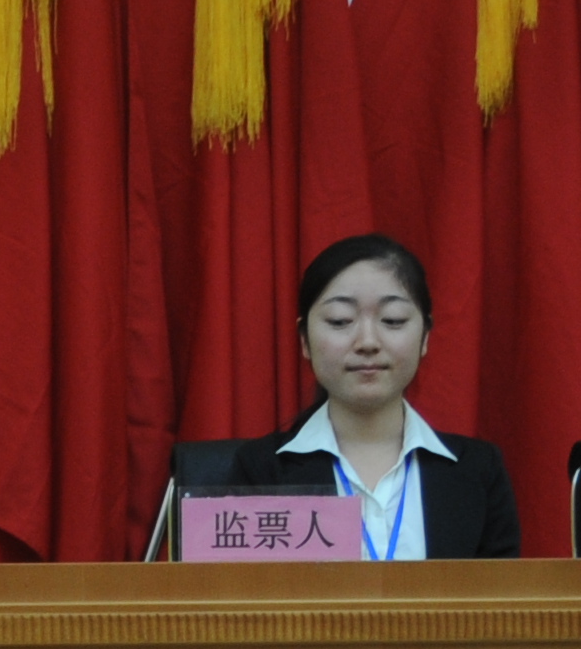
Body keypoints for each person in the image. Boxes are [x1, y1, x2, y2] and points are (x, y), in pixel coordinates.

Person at [170, 233, 519, 558]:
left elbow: (504, 599)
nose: (367, 342)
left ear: (425, 336)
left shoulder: (477, 471)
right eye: (340, 321)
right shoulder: (261, 470)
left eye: (393, 320)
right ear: (304, 340)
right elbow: (238, 597)